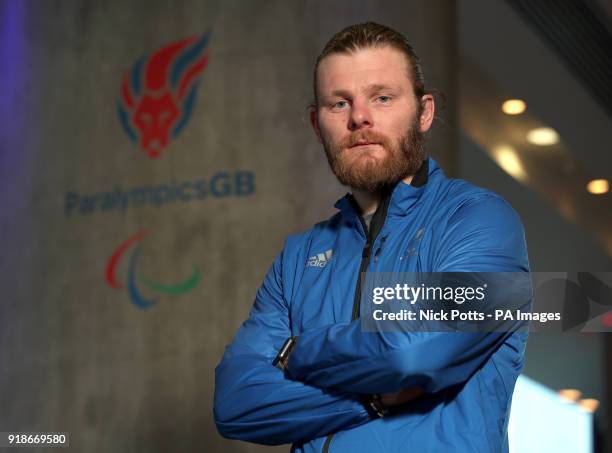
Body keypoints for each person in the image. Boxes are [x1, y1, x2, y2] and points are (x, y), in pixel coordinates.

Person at [214, 21, 529, 452]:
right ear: (316, 124)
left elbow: (415, 354)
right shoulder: (297, 258)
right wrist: (373, 398)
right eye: (339, 103)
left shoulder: (479, 220)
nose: (360, 117)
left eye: (382, 97)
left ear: (424, 112)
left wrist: (296, 351)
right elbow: (236, 403)